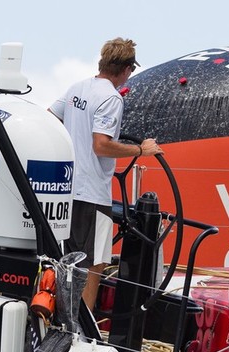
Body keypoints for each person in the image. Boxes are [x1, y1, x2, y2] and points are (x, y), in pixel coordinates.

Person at [49, 38, 163, 311]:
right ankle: (81, 328)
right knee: (94, 263)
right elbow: (101, 145)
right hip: (91, 193)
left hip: (66, 189)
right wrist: (140, 150)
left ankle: (61, 319)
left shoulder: (77, 88)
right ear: (125, 69)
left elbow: (51, 118)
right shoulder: (111, 97)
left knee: (67, 258)